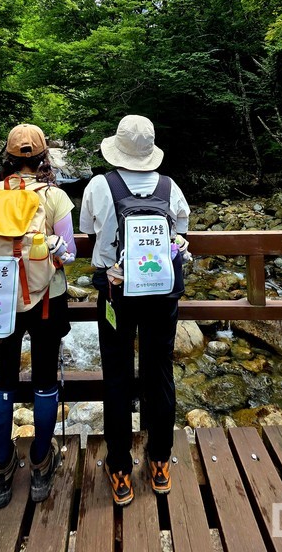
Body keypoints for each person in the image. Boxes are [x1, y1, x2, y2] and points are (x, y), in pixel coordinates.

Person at [0, 124, 76, 509]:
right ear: (44, 159)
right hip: (47, 298)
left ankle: (1, 470)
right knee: (44, 380)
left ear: (8, 159)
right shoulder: (55, 196)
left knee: (3, 381)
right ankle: (42, 466)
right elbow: (69, 252)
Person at [80, 115, 190, 506]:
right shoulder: (169, 186)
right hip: (162, 294)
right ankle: (160, 461)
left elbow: (89, 229)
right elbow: (181, 232)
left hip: (116, 292)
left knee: (117, 376)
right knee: (160, 372)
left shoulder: (99, 185)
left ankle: (120, 468)